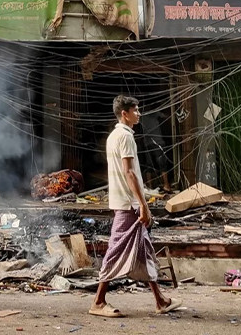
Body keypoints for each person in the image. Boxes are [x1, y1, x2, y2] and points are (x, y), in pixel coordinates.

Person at [88, 95, 180, 318]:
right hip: (128, 204)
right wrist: (142, 204)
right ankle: (98, 301)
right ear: (124, 114)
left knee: (145, 250)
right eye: (136, 110)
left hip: (126, 202)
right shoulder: (126, 137)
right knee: (115, 250)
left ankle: (160, 300)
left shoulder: (113, 136)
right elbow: (129, 172)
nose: (139, 113)